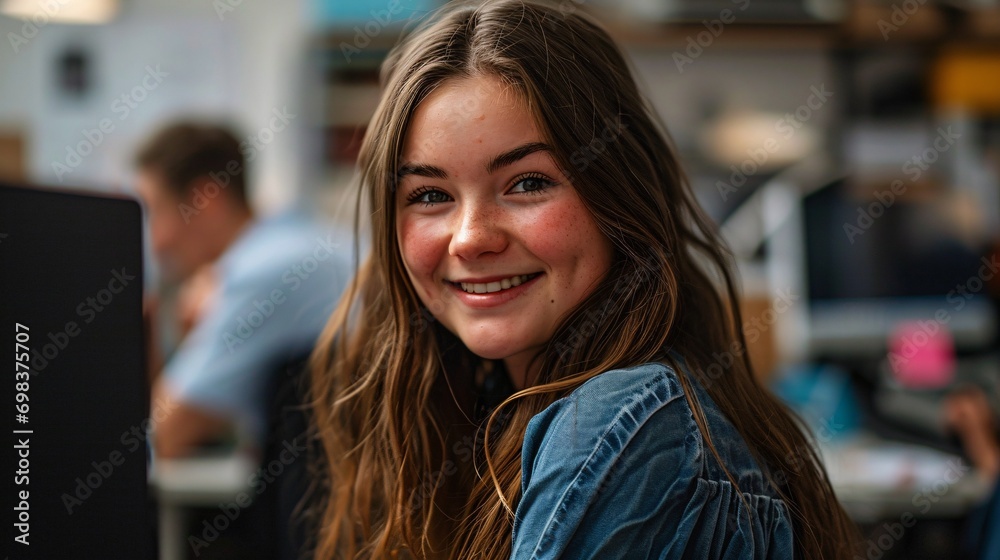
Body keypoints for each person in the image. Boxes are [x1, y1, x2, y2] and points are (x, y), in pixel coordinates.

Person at [308, 1, 860, 558]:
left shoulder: (620, 427)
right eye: (430, 195)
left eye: (526, 183)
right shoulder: (497, 407)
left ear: (618, 194)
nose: (470, 238)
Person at [134, 122, 351, 459]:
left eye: (155, 212)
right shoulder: (294, 240)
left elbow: (163, 436)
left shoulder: (260, 274)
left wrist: (146, 333)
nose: (155, 241)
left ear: (204, 200)